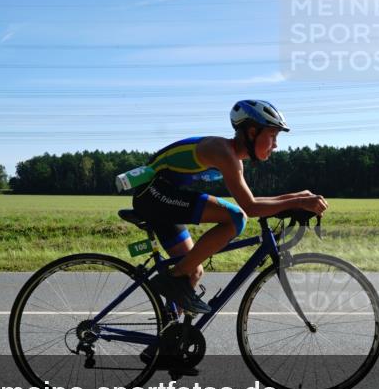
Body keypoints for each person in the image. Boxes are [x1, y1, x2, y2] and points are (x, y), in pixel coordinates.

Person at [132, 100, 328, 314]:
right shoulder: (222, 152)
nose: (275, 145)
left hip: (162, 198)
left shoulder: (233, 158)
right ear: (252, 132)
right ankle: (172, 278)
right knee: (236, 218)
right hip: (152, 194)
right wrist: (298, 202)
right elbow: (250, 208)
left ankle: (169, 328)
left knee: (193, 271)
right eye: (272, 136)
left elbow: (252, 200)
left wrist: (297, 197)